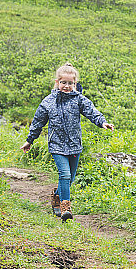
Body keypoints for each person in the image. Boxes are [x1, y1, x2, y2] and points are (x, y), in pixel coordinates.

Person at [20, 62, 114, 220]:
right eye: (63, 82)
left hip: (74, 144)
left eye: (70, 83)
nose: (66, 86)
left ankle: (56, 197)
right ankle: (65, 208)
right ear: (57, 82)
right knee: (64, 174)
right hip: (56, 145)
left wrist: (102, 122)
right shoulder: (48, 102)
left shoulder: (79, 99)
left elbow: (92, 111)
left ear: (75, 84)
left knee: (70, 178)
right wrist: (30, 140)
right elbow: (37, 122)